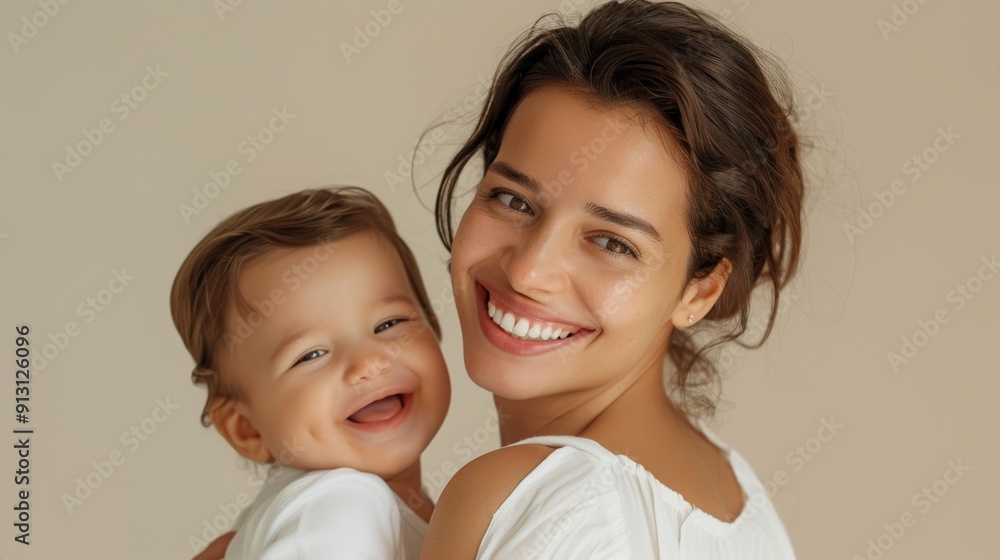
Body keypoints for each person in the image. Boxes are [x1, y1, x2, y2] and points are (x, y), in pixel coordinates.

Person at [421, 1, 803, 558]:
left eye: (612, 243)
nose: (528, 271)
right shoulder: (737, 496)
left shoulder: (515, 499)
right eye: (513, 199)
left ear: (700, 290)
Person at [171, 187, 451, 559]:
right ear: (247, 428)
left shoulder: (336, 508)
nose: (369, 362)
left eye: (389, 324)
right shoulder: (343, 506)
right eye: (311, 354)